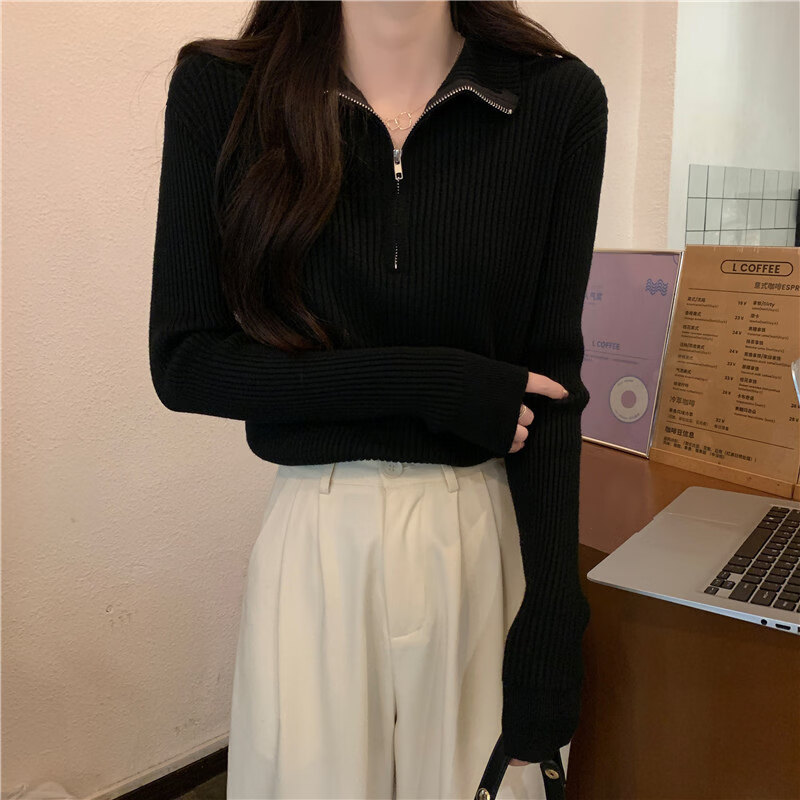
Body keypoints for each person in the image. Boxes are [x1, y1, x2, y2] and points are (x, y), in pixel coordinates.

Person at [149, 0, 608, 797]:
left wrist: (553, 622)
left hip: (479, 539)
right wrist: (432, 383)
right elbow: (186, 362)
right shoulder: (224, 92)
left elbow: (551, 382)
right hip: (317, 544)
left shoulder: (556, 100)